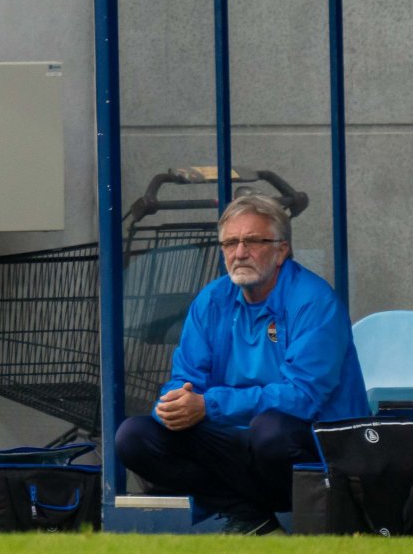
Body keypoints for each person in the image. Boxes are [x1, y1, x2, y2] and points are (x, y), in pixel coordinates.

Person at [114, 193, 369, 535]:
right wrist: (174, 405)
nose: (240, 253)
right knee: (134, 437)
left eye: (253, 241)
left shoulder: (314, 301)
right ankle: (253, 518)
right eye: (230, 243)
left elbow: (303, 398)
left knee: (270, 432)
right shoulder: (212, 299)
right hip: (236, 442)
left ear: (282, 250)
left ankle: (263, 515)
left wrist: (209, 405)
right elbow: (186, 377)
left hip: (313, 445)